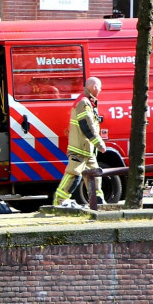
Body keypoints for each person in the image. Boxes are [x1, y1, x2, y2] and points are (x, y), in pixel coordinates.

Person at [54, 77, 106, 208]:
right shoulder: (84, 103)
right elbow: (87, 126)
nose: (100, 90)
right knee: (74, 174)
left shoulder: (87, 102)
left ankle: (97, 201)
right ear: (93, 87)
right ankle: (60, 201)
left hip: (87, 149)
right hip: (80, 148)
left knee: (95, 174)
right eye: (99, 87)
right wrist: (99, 143)